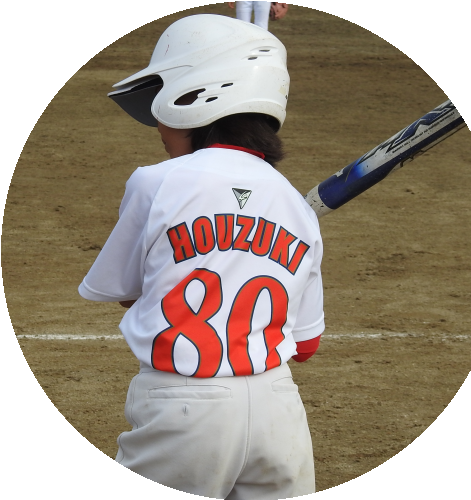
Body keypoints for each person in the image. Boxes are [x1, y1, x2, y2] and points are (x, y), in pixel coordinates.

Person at [78, 14, 324, 499]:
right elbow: (307, 344)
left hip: (183, 406)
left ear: (193, 97)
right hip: (280, 412)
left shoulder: (156, 181)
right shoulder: (295, 203)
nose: (157, 125)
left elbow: (120, 290)